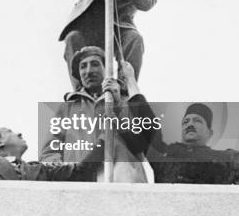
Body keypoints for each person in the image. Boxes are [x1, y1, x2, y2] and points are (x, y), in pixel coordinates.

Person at [120, 63, 239, 185]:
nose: (190, 124)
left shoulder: (226, 160)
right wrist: (130, 79)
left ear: (210, 133)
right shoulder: (165, 155)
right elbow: (147, 121)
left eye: (197, 120)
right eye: (186, 121)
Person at [39, 46, 153, 183]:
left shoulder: (125, 101)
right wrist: (62, 175)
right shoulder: (68, 108)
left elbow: (142, 143)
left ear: (107, 69)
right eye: (83, 66)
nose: (88, 71)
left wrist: (117, 106)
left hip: (123, 180)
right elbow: (50, 151)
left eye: (95, 64)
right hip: (80, 183)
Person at [0, 126, 105, 184]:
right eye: (9, 131)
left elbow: (80, 170)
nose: (19, 133)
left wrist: (105, 137)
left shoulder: (40, 170)